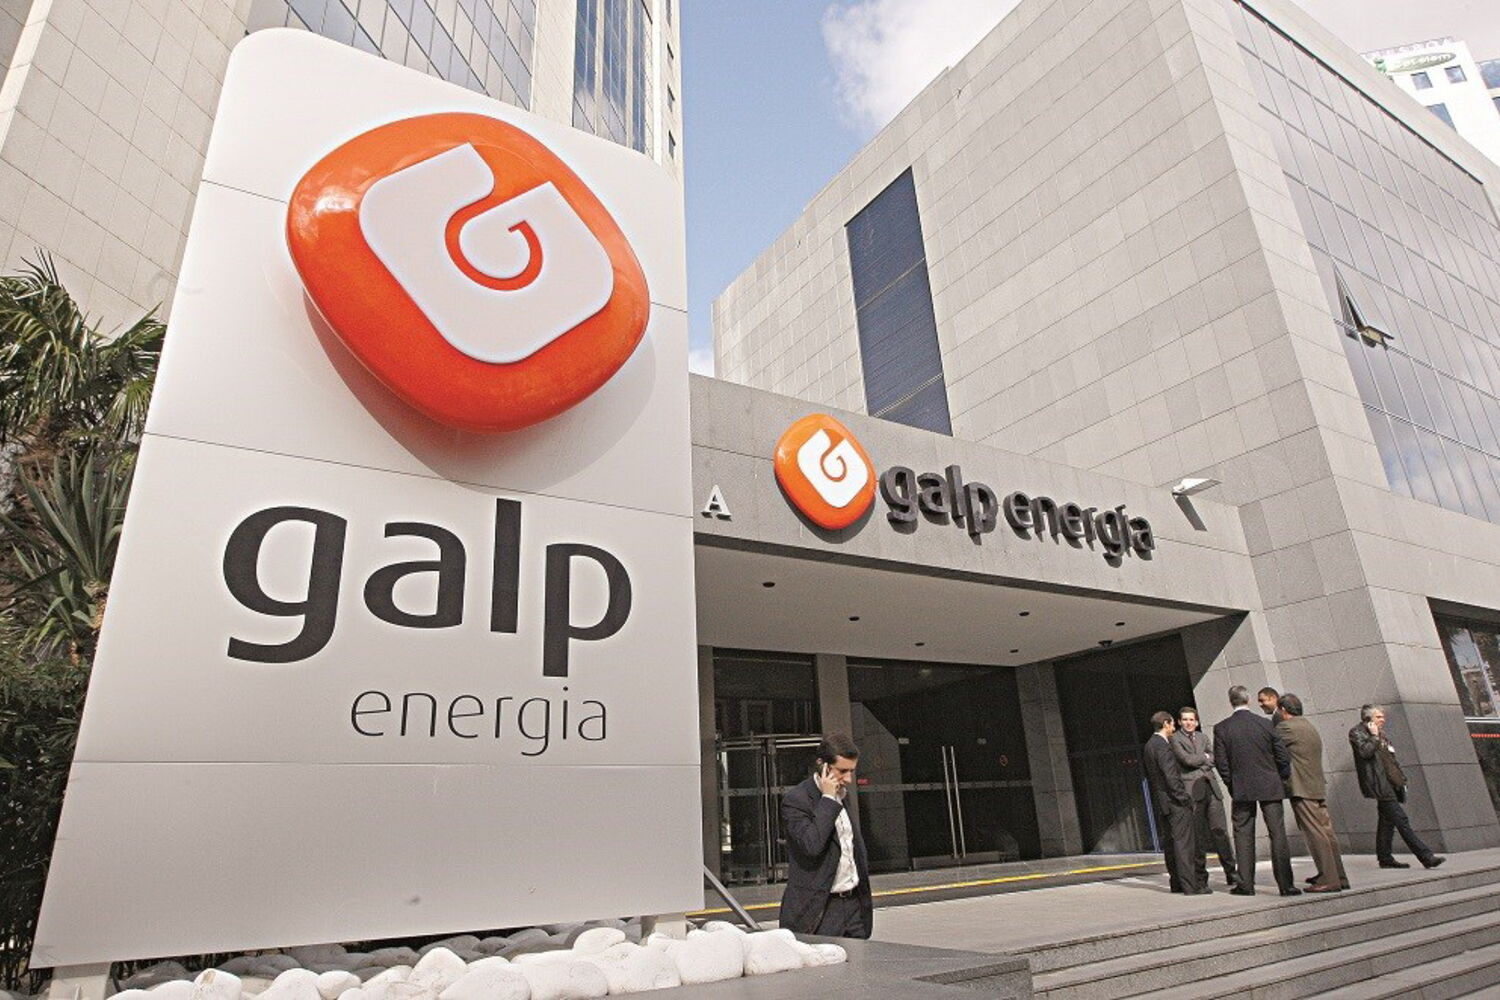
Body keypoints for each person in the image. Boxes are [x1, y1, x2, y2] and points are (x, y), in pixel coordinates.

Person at [778, 733, 873, 937]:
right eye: (842, 771)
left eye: (851, 771)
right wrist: (828, 799)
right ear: (823, 766)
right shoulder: (796, 800)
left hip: (854, 907)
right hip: (820, 911)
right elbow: (811, 845)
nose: (848, 779)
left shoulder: (843, 796)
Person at [1215, 685, 1299, 896]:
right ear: (1249, 700)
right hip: (1270, 784)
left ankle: (1246, 884)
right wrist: (1279, 777)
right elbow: (1282, 756)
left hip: (1242, 787)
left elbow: (1222, 763)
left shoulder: (1222, 728)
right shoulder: (1265, 724)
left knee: (1243, 835)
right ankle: (1286, 885)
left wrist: (1232, 784)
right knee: (1277, 834)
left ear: (1231, 701)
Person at [1348, 705, 1445, 871]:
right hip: (1379, 784)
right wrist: (1374, 737)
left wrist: (1401, 779)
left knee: (1387, 822)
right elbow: (1364, 753)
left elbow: (1390, 759)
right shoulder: (1357, 732)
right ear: (1368, 719)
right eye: (1379, 717)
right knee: (1401, 820)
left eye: (1383, 716)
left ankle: (1385, 858)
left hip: (1391, 783)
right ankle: (1426, 856)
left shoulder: (1381, 734)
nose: (1383, 720)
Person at [1274, 693, 1349, 892]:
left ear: (1283, 710)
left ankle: (1328, 879)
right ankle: (1338, 875)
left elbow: (1271, 742)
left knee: (1315, 833)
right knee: (1326, 832)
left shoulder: (1287, 727)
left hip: (1302, 786)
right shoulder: (1308, 725)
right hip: (1316, 785)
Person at [1143, 711, 1210, 894]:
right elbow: (1170, 776)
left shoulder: (1149, 745)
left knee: (1171, 844)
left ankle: (1177, 883)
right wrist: (1183, 798)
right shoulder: (1162, 746)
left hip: (1163, 801)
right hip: (1174, 802)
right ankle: (1190, 885)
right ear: (1166, 724)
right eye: (1172, 724)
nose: (1174, 727)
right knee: (1184, 844)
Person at [1172, 706, 1239, 888]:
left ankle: (1231, 872)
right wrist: (1204, 758)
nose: (1189, 723)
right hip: (1192, 791)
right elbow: (1186, 760)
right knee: (1198, 836)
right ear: (1179, 722)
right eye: (1185, 720)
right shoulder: (1175, 739)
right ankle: (1201, 877)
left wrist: (1202, 759)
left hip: (1211, 788)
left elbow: (1215, 757)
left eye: (1191, 720)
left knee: (1220, 831)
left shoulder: (1203, 737)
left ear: (1197, 722)